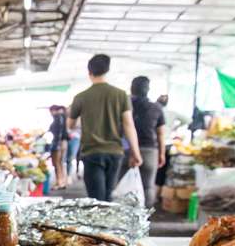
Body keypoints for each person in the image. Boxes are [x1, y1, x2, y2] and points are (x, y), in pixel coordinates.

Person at [68, 54, 142, 202]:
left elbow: (70, 125)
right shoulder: (120, 95)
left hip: (91, 152)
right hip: (114, 153)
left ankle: (98, 224)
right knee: (108, 198)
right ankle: (108, 225)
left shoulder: (81, 97)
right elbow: (129, 125)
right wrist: (136, 152)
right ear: (107, 70)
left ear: (89, 72)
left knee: (96, 200)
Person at [128, 76, 166, 207]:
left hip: (128, 149)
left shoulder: (125, 105)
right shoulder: (156, 107)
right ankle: (145, 215)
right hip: (150, 150)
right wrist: (162, 154)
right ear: (148, 89)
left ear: (131, 88)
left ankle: (124, 216)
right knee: (148, 186)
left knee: (123, 184)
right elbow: (161, 133)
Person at [47, 106, 68, 189]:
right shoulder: (63, 117)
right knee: (60, 163)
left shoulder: (58, 118)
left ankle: (59, 182)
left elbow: (58, 132)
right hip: (62, 142)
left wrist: (57, 144)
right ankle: (61, 181)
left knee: (57, 163)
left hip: (58, 143)